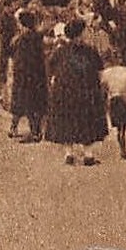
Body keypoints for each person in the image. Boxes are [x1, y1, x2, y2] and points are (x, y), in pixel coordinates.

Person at [46, 18, 108, 166]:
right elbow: (100, 71)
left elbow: (51, 69)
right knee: (87, 121)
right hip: (87, 91)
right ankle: (88, 154)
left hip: (65, 92)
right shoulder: (90, 51)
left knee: (67, 120)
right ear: (80, 34)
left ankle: (69, 153)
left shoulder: (61, 51)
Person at [7, 9, 49, 142]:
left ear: (21, 24)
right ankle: (33, 131)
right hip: (36, 75)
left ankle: (33, 132)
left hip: (25, 76)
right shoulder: (35, 36)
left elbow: (16, 56)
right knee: (33, 104)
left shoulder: (22, 39)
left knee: (24, 104)